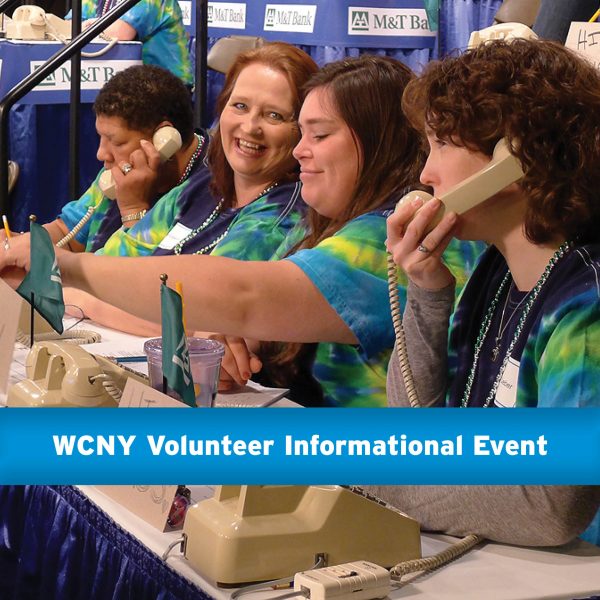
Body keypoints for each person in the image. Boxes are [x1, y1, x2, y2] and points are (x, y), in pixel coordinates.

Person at [2, 56, 483, 407]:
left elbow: (241, 293)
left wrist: (66, 269)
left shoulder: (387, 237)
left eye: (316, 135)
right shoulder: (216, 195)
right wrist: (232, 333)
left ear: (379, 143)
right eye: (239, 106)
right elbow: (238, 312)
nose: (300, 151)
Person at [378, 38, 600, 545]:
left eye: (442, 144)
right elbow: (413, 435)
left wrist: (378, 481)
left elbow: (552, 505)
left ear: (516, 158)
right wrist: (427, 290)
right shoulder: (495, 274)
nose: (425, 173)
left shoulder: (585, 306)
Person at [2, 45, 316, 335]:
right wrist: (18, 256)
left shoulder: (280, 216)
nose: (249, 126)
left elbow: (199, 318)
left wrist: (68, 291)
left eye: (274, 115)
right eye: (240, 106)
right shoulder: (203, 186)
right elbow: (114, 273)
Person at [70, 0, 193, 86]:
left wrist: (87, 25)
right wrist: (86, 26)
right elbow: (68, 26)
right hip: (128, 85)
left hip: (164, 88)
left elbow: (121, 32)